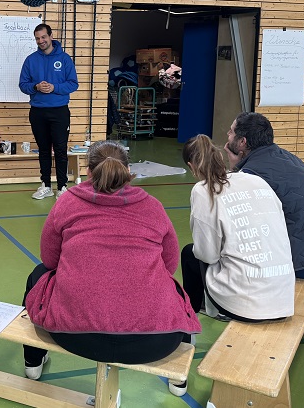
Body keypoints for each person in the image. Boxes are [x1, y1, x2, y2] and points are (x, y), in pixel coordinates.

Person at [21, 140, 200, 387]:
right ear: (128, 171)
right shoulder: (152, 206)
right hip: (156, 341)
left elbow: (50, 260)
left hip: (75, 335)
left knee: (38, 274)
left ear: (88, 172)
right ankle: (178, 379)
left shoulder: (67, 202)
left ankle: (33, 361)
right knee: (173, 289)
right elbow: (169, 266)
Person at [180, 134, 295, 324]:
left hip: (246, 306)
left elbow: (207, 255)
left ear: (192, 166)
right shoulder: (255, 180)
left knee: (190, 254)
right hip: (283, 298)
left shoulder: (203, 190)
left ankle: (189, 318)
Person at [224, 112, 304, 279]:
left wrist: (235, 170)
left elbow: (242, 220)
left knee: (225, 252)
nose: (228, 135)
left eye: (231, 131)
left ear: (242, 142)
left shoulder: (252, 174)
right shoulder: (283, 155)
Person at [18, 23, 79, 200]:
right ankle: (45, 185)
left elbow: (73, 84)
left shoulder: (65, 59)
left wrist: (54, 87)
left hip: (59, 111)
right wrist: (36, 86)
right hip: (38, 112)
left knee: (60, 150)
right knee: (44, 150)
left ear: (51, 36)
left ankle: (62, 187)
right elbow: (23, 85)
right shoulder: (31, 60)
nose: (41, 41)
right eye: (37, 38)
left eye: (43, 37)